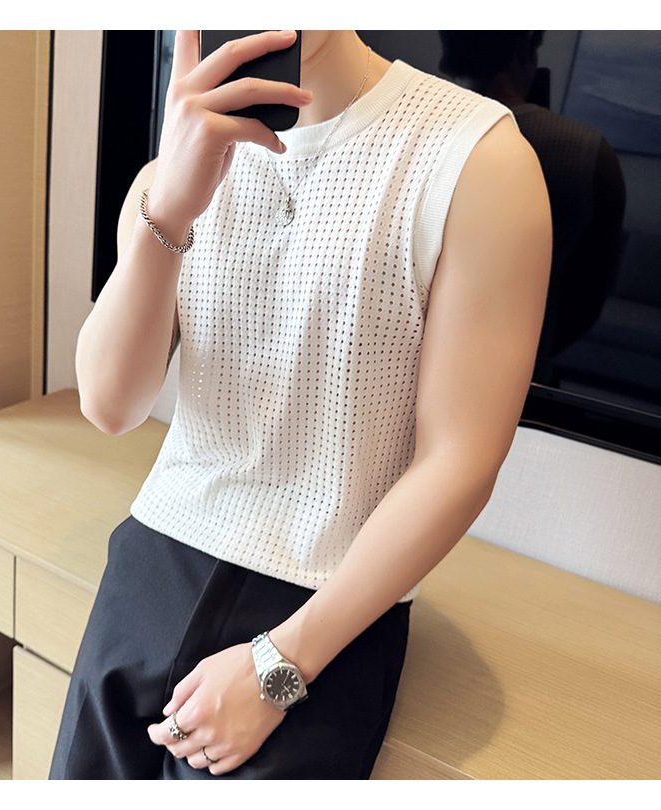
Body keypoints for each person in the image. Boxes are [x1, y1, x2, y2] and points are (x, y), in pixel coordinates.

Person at [49, 30, 550, 780]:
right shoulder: (177, 159)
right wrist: (170, 206)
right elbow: (110, 404)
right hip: (148, 573)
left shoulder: (477, 159)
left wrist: (281, 665)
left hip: (330, 605)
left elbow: (461, 459)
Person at [438, 30, 625, 383]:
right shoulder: (586, 152)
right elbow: (587, 301)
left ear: (447, 57)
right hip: (523, 384)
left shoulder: (410, 135)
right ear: (525, 47)